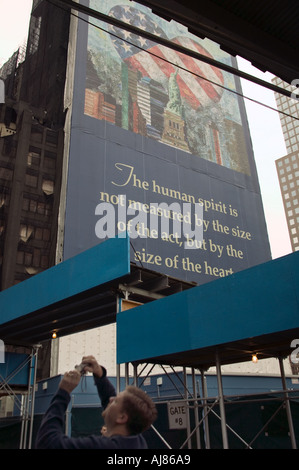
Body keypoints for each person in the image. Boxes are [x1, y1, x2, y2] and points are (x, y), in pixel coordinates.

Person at [35, 355, 157, 449]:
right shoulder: (136, 441)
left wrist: (63, 392)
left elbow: (47, 443)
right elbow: (109, 399)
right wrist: (99, 374)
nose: (111, 398)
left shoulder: (107, 447)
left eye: (115, 401)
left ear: (122, 418)